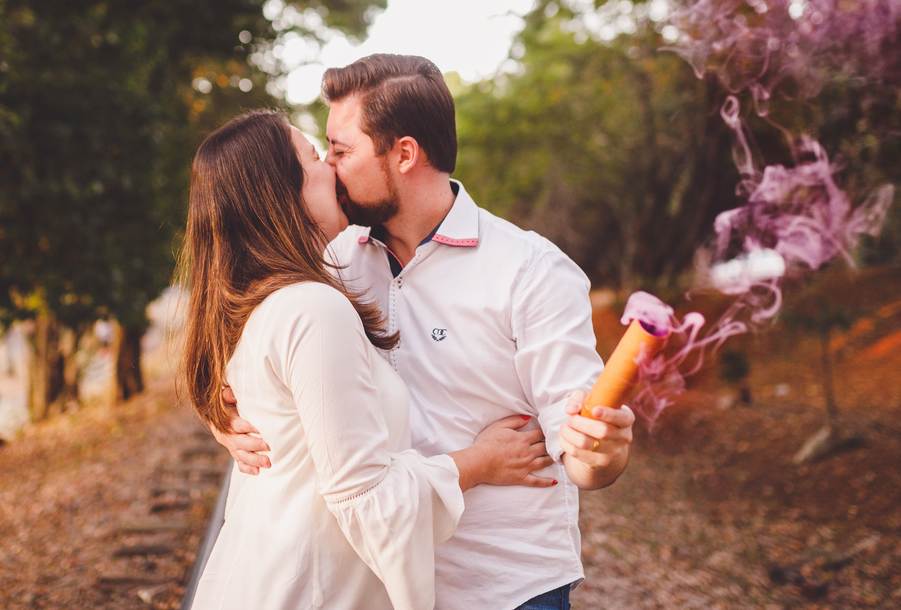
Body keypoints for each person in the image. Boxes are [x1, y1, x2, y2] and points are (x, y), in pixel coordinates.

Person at [217, 55, 636, 610]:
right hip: (380, 582)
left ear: (404, 154)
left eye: (341, 151)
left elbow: (580, 452)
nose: (331, 168)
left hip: (504, 586)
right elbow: (254, 350)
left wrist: (602, 451)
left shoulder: (530, 270)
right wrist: (224, 416)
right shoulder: (330, 262)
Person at [180, 110, 558, 610]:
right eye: (316, 156)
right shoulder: (312, 308)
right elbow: (367, 501)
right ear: (279, 191)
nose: (331, 169)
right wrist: (479, 462)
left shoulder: (257, 301)